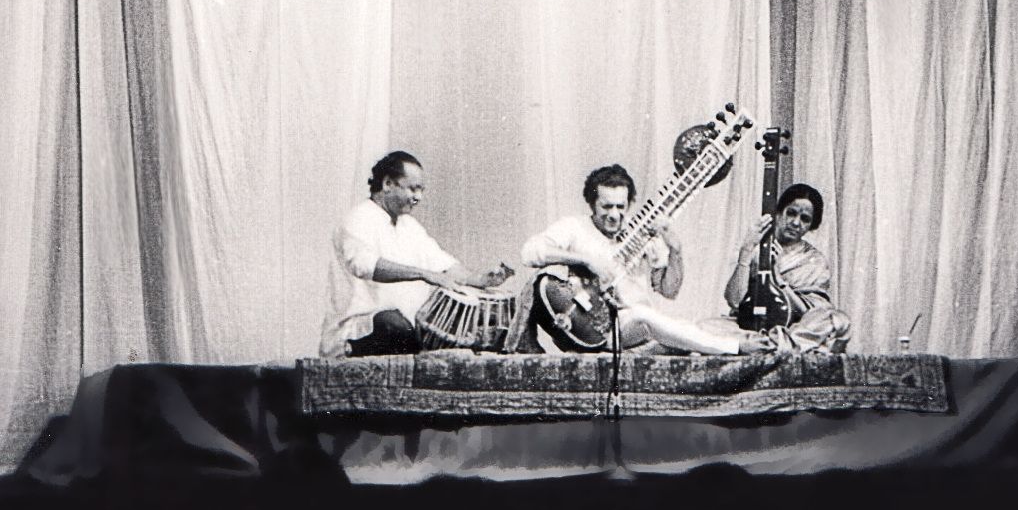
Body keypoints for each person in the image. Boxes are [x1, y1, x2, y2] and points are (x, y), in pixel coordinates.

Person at [519, 164, 772, 356]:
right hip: (597, 328)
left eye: (620, 207)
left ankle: (730, 343)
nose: (614, 215)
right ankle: (734, 348)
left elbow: (669, 291)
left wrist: (675, 250)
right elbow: (530, 252)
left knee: (697, 327)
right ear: (592, 203)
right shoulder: (574, 227)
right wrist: (586, 260)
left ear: (629, 204)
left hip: (635, 330)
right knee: (645, 316)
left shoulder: (641, 235)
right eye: (606, 207)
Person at [319, 151, 511, 358]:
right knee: (395, 326)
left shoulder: (410, 226)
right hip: (358, 331)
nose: (418, 197)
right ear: (387, 184)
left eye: (421, 190)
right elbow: (366, 266)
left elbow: (443, 265)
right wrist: (424, 274)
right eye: (413, 188)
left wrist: (481, 279)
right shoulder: (358, 219)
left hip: (406, 331)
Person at [719, 183, 850, 353]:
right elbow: (734, 301)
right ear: (779, 212)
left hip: (793, 327)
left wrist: (777, 278)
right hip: (751, 325)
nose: (796, 223)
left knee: (836, 320)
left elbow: (809, 312)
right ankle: (778, 346)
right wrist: (746, 251)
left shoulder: (814, 260)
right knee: (707, 326)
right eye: (791, 213)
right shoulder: (755, 248)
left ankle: (765, 345)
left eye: (805, 219)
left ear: (812, 225)